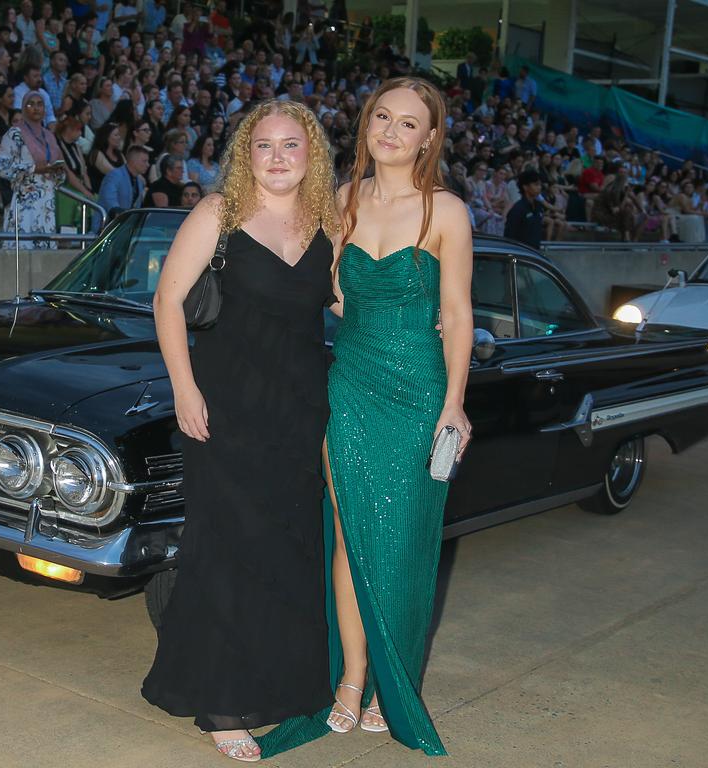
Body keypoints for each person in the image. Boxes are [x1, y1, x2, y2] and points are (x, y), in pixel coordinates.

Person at [260, 77, 473, 759]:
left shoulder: (447, 212)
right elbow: (329, 292)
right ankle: (350, 682)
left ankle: (392, 684)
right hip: (350, 386)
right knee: (351, 539)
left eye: (408, 123)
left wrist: (454, 405)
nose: (391, 130)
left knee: (403, 545)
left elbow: (460, 314)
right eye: (382, 116)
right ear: (366, 125)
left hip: (417, 393)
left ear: (429, 139)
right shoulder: (342, 203)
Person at [142, 99, 340, 762]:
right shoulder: (216, 215)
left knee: (286, 550)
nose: (278, 157)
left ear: (311, 154)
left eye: (291, 145)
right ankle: (223, 705)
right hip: (225, 408)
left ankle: (280, 685)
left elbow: (345, 303)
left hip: (299, 410)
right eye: (264, 146)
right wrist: (183, 387)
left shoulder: (328, 224)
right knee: (227, 550)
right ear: (244, 155)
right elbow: (167, 300)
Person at [0, 91, 65, 249]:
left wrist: (57, 171)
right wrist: (33, 168)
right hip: (24, 198)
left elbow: (60, 169)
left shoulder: (49, 136)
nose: (36, 108)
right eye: (30, 104)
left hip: (46, 202)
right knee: (22, 249)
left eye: (40, 104)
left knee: (44, 254)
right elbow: (1, 166)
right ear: (23, 108)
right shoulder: (14, 134)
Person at [97, 143, 147, 216]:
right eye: (144, 161)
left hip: (125, 223)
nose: (147, 164)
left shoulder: (139, 182)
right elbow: (109, 199)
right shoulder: (114, 175)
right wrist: (119, 214)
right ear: (133, 161)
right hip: (107, 224)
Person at [505, 169, 546, 248]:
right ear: (525, 187)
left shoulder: (539, 206)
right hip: (521, 253)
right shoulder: (518, 209)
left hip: (534, 253)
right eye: (536, 185)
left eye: (540, 185)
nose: (539, 188)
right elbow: (509, 236)